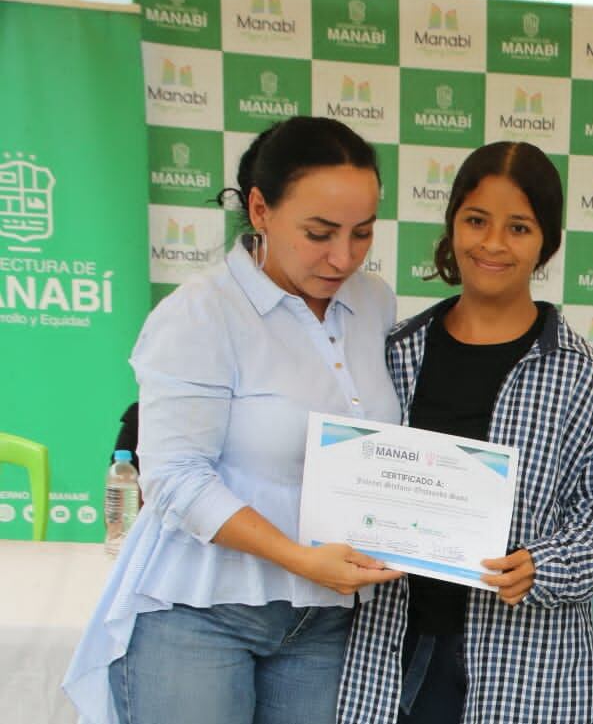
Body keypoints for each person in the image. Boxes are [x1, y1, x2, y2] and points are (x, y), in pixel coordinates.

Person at [63, 116, 404, 724]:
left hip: (325, 621)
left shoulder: (373, 302)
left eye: (362, 233)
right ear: (259, 208)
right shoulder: (200, 312)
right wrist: (301, 557)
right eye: (319, 232)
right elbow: (175, 479)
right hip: (199, 613)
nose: (343, 256)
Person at [335, 141, 593, 724]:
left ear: (546, 242)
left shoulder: (572, 371)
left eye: (518, 227)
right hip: (390, 653)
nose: (492, 244)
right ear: (452, 226)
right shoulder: (394, 353)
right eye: (476, 221)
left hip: (522, 667)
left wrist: (541, 564)